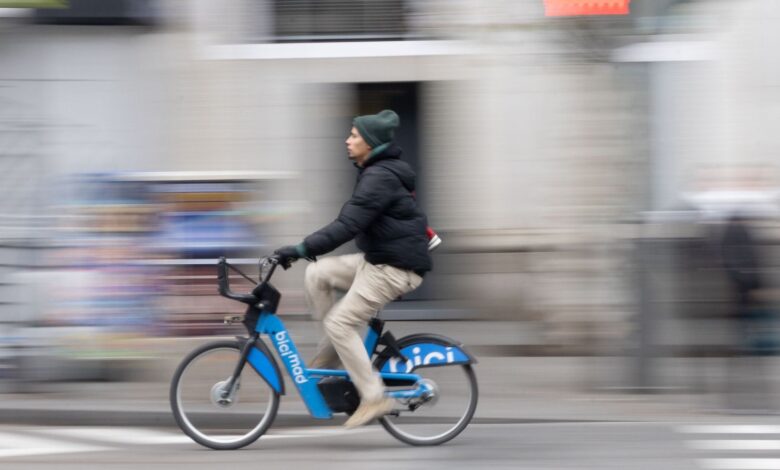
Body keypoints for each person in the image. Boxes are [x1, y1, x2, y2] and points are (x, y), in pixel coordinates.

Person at [274, 109, 432, 427]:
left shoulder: (379, 177)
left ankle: (374, 397)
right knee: (317, 274)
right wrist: (306, 256)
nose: (347, 140)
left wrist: (302, 249)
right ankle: (331, 354)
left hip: (394, 268)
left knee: (340, 323)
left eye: (354, 136)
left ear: (369, 143)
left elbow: (346, 225)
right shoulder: (376, 172)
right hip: (378, 259)